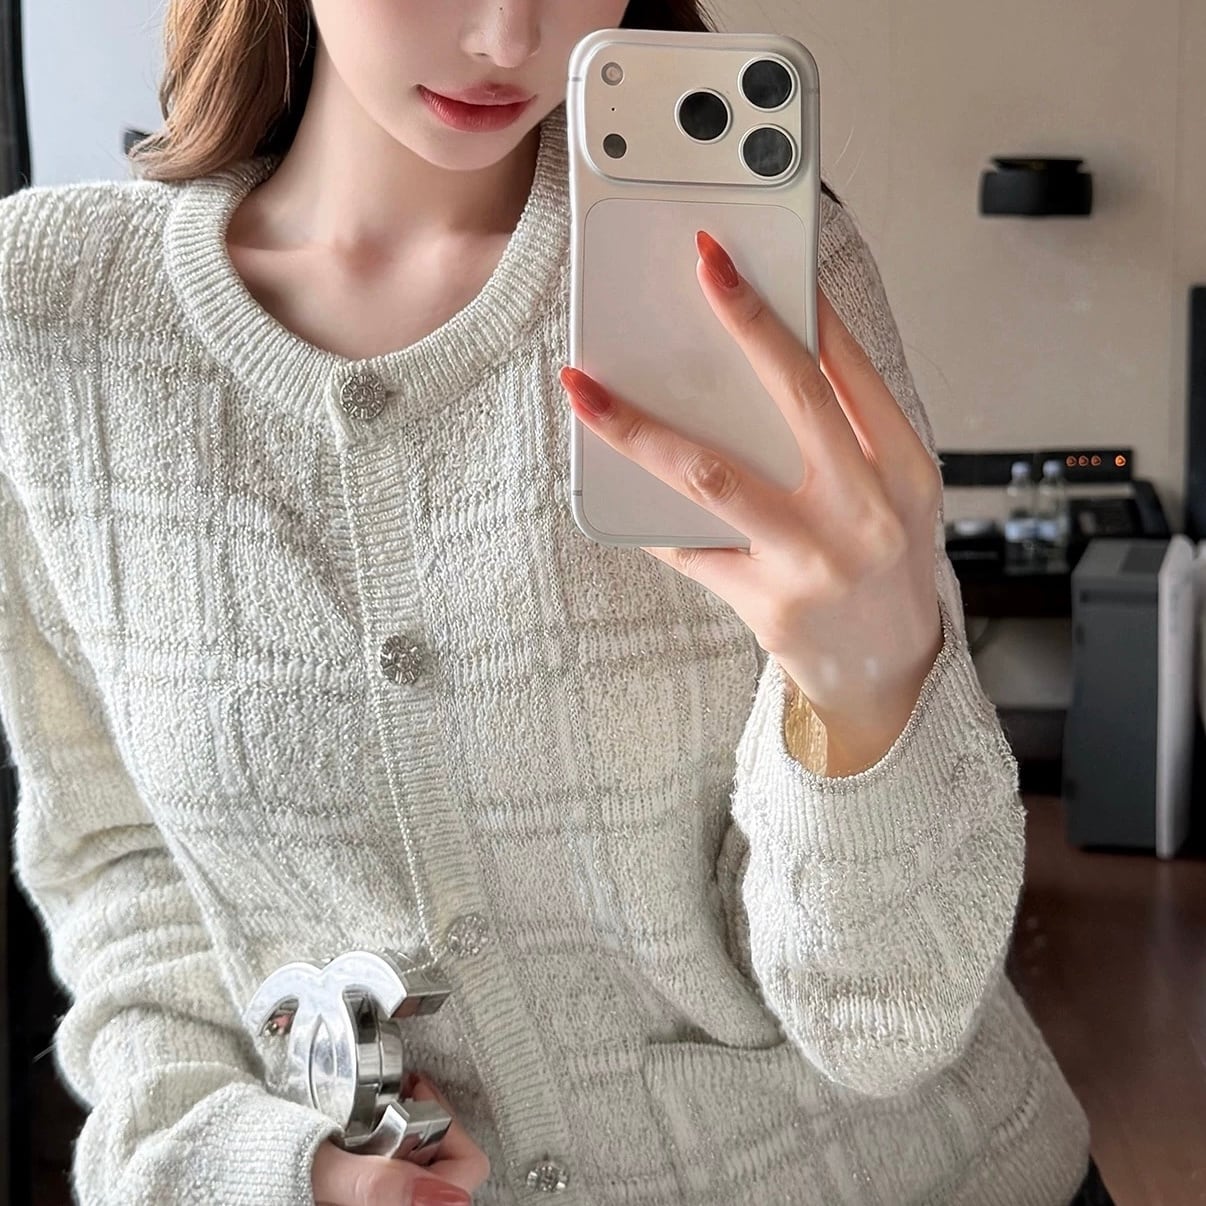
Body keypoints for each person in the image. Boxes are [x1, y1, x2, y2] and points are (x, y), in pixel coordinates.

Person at [0, 1, 1116, 1203]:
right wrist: (265, 1174)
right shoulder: (55, 317)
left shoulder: (756, 272)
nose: (505, 36)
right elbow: (121, 867)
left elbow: (890, 1024)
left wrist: (875, 686)